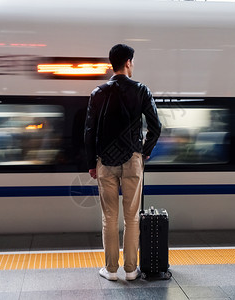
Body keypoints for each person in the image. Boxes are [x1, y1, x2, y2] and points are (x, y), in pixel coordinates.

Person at [84, 44, 161, 281]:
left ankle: (111, 270)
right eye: (133, 62)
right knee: (132, 216)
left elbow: (89, 131)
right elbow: (156, 127)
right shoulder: (141, 90)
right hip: (132, 160)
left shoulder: (98, 93)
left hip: (105, 163)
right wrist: (143, 152)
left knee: (109, 217)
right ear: (128, 62)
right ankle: (130, 270)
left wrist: (91, 162)